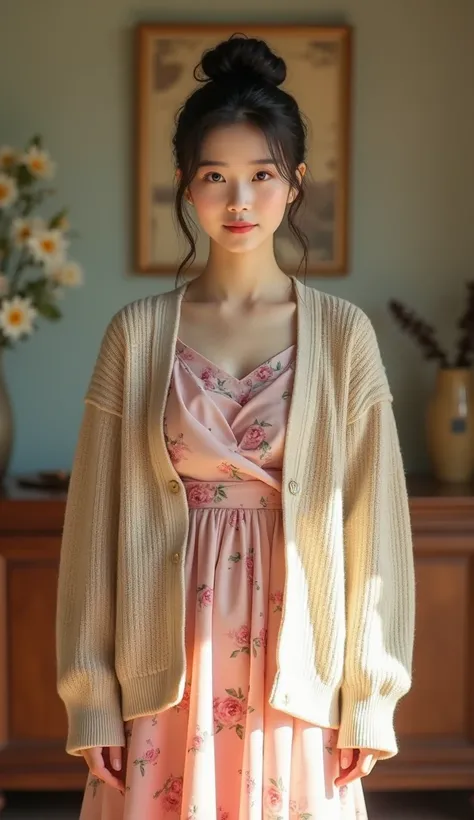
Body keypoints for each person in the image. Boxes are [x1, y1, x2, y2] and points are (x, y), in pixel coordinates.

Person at [56, 34, 415, 820]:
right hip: (165, 653)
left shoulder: (345, 336)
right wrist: (91, 696)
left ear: (296, 186)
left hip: (300, 660)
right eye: (215, 176)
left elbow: (373, 532)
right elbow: (92, 528)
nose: (239, 200)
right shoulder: (136, 333)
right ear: (186, 186)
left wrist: (370, 696)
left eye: (262, 175)